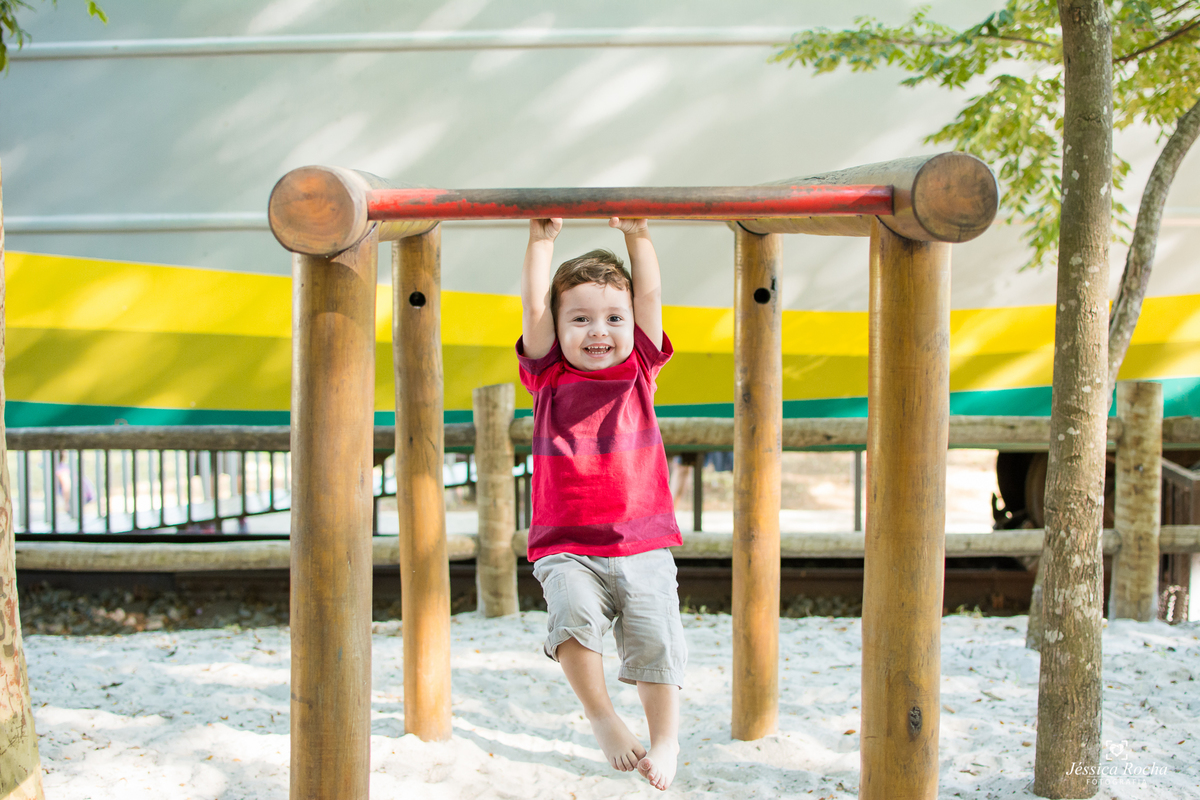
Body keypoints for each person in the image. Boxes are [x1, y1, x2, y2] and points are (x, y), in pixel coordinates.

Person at [517, 216, 686, 792]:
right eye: (580, 319)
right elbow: (534, 305)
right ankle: (603, 718)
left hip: (642, 541)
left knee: (655, 638)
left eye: (614, 318)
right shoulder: (547, 373)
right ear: (557, 327)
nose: (599, 331)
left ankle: (665, 737)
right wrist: (542, 242)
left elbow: (652, 294)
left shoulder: (639, 366)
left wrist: (638, 235)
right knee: (571, 619)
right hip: (566, 547)